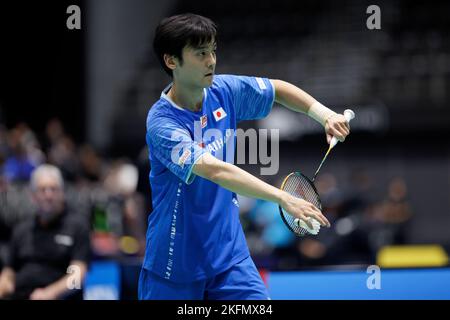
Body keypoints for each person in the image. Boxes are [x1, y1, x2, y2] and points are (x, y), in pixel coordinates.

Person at [139, 13, 350, 300]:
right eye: (201, 53)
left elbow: (277, 89)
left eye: (213, 50)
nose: (211, 61)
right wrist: (283, 197)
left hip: (229, 256)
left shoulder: (223, 91)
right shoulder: (163, 123)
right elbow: (215, 170)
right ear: (171, 61)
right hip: (175, 264)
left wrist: (323, 115)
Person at [0, 164, 90, 300]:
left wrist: (50, 293)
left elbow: (77, 277)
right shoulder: (22, 229)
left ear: (62, 193)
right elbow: (9, 270)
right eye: (42, 190)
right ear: (33, 196)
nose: (48, 195)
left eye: (53, 189)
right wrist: (5, 283)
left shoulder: (77, 226)